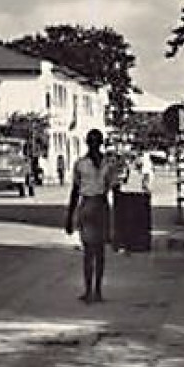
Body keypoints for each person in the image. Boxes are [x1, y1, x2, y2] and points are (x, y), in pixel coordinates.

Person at [64, 128, 118, 303]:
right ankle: (88, 290)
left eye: (97, 142)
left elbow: (114, 189)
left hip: (100, 205)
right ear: (88, 144)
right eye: (92, 142)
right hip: (87, 205)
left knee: (100, 251)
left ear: (101, 144)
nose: (94, 145)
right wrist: (70, 216)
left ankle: (98, 290)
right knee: (89, 251)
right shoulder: (80, 164)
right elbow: (75, 191)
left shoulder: (108, 165)